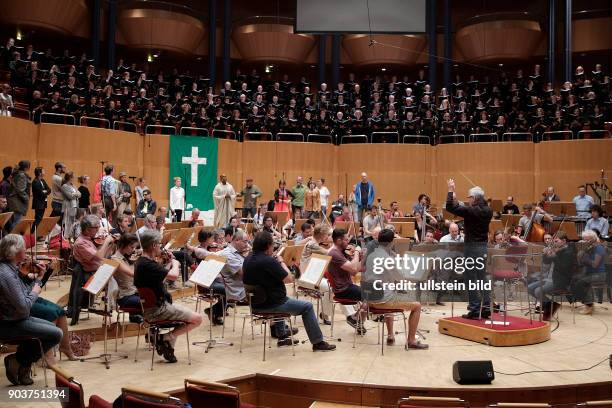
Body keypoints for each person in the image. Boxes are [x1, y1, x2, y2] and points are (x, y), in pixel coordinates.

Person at [242, 231, 336, 351]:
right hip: (272, 304)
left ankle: (283, 337)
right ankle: (318, 342)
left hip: (255, 304)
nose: (273, 248)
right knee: (307, 307)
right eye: (272, 245)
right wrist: (281, 261)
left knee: (278, 295)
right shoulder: (269, 261)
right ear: (267, 246)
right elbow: (289, 279)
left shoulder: (248, 259)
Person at [0, 234, 63, 385]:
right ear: (14, 252)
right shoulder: (6, 274)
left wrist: (39, 279)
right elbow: (24, 307)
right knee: (55, 334)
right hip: (9, 323)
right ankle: (19, 361)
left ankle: (20, 363)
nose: (26, 251)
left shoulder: (10, 268)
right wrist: (36, 290)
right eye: (24, 248)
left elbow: (24, 293)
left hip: (17, 318)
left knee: (52, 329)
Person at [134, 230, 203, 362]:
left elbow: (161, 277)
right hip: (158, 310)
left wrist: (169, 263)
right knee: (197, 319)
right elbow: (173, 276)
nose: (161, 246)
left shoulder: (142, 263)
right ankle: (165, 338)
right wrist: (176, 264)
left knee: (183, 315)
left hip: (155, 306)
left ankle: (167, 347)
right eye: (159, 244)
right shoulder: (147, 264)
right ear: (153, 245)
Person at [363, 229, 428, 349]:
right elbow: (401, 277)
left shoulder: (372, 255)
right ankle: (411, 340)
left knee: (392, 293)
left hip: (369, 297)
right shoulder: (387, 259)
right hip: (381, 300)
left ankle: (391, 335)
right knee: (417, 305)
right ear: (392, 242)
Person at [445, 179, 492, 319]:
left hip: (472, 248)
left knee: (470, 278)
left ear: (475, 198)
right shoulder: (488, 210)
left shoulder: (471, 210)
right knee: (482, 278)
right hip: (483, 247)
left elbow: (449, 207)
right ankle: (486, 307)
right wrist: (457, 201)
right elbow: (464, 209)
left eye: (470, 198)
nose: (469, 200)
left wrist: (450, 190)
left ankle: (474, 308)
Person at [202, 229, 249, 325]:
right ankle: (275, 325)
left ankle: (214, 311)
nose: (247, 245)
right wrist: (251, 258)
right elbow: (244, 273)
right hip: (238, 288)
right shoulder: (228, 254)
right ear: (236, 240)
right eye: (245, 241)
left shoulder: (238, 253)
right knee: (268, 289)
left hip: (241, 285)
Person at [328, 229, 367, 333]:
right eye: (346, 240)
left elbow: (355, 271)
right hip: (342, 290)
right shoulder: (334, 253)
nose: (348, 243)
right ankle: (355, 318)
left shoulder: (341, 252)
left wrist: (363, 258)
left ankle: (356, 320)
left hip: (347, 286)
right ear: (339, 240)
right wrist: (357, 253)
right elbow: (354, 269)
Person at [573, 230, 607, 315]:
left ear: (592, 239)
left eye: (586, 240)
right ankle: (587, 302)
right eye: (583, 239)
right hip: (590, 273)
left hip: (599, 275)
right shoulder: (590, 248)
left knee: (581, 283)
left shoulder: (599, 248)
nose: (584, 241)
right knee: (574, 280)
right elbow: (582, 263)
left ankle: (589, 305)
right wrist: (580, 255)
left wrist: (585, 257)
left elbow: (595, 264)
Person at [111, 233, 143, 323]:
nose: (133, 250)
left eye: (135, 248)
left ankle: (141, 321)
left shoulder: (129, 257)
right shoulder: (115, 259)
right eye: (131, 247)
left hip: (135, 292)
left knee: (159, 297)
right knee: (150, 302)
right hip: (125, 296)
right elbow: (132, 274)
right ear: (123, 245)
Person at [6, 160, 31, 232]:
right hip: (17, 202)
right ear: (26, 168)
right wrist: (26, 198)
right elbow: (20, 190)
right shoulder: (22, 175)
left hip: (14, 201)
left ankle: (13, 240)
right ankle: (14, 241)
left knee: (14, 222)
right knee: (16, 223)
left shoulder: (17, 173)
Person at [61, 172, 81, 239]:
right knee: (67, 222)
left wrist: (74, 194)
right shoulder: (64, 186)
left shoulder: (73, 185)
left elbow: (80, 194)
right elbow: (69, 196)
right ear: (70, 178)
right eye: (73, 177)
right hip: (68, 206)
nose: (74, 178)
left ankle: (71, 236)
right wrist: (76, 194)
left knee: (73, 221)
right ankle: (66, 237)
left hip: (74, 205)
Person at [31, 166, 50, 231]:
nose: (44, 172)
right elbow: (41, 193)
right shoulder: (35, 182)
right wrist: (45, 191)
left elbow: (49, 189)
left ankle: (36, 234)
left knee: (40, 219)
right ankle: (33, 233)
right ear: (39, 173)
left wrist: (45, 191)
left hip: (43, 203)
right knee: (38, 219)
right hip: (38, 203)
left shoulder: (42, 180)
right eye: (43, 171)